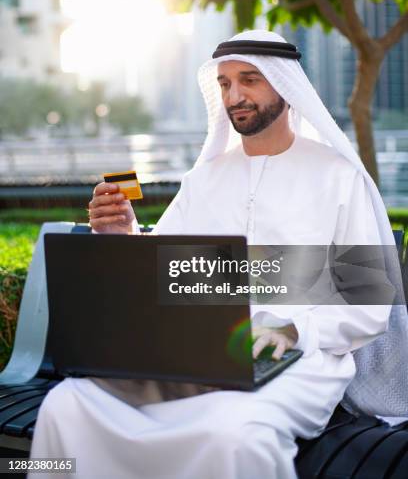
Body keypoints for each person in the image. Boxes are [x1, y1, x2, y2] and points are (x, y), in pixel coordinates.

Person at [29, 30, 408, 479]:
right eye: (225, 83)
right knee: (69, 405)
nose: (235, 95)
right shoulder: (204, 179)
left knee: (232, 433)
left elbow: (367, 304)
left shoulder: (338, 176)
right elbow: (165, 273)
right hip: (190, 352)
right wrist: (123, 232)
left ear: (286, 86)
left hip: (302, 359)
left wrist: (290, 327)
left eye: (249, 79)